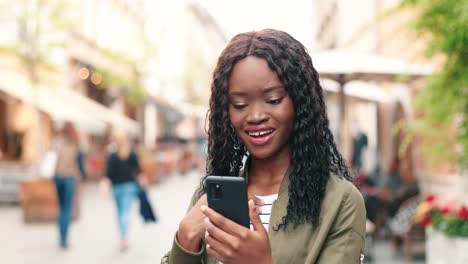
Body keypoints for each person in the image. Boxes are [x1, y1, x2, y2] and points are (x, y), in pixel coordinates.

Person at [161, 29, 366, 263]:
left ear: (300, 103)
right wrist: (185, 239)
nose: (256, 115)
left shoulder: (341, 201)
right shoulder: (211, 198)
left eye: (273, 100)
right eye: (240, 104)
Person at [105, 130, 146, 251]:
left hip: (116, 187)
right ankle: (124, 237)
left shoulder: (112, 156)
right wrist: (142, 181)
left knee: (120, 212)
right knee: (125, 212)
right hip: (129, 186)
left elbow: (108, 174)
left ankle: (122, 237)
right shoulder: (132, 153)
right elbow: (138, 170)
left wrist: (105, 184)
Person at [53, 121, 84, 249]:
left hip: (58, 177)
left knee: (61, 207)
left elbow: (51, 158)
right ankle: (64, 238)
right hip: (69, 177)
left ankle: (61, 235)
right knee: (67, 208)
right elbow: (80, 163)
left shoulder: (57, 142)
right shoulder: (75, 143)